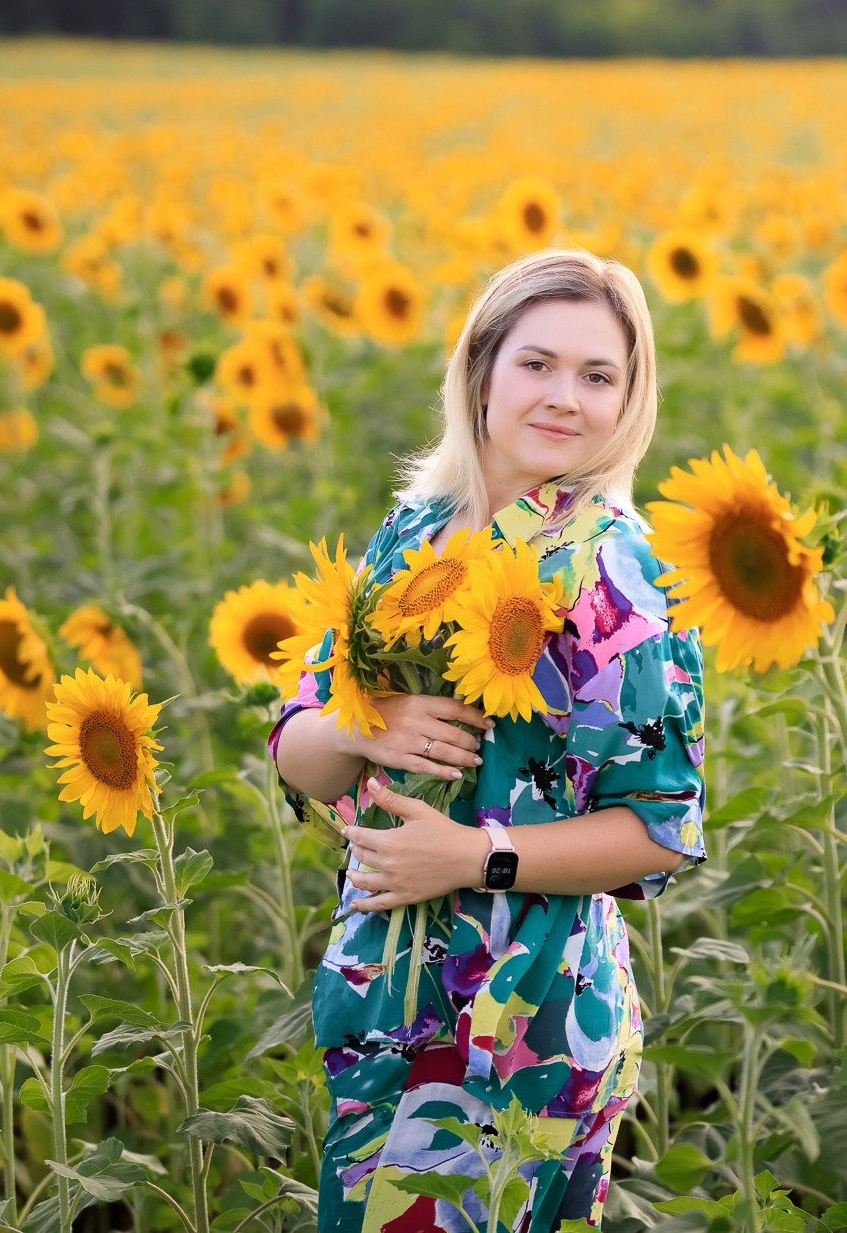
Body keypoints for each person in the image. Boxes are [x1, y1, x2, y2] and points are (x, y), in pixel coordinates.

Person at [267, 247, 707, 1231]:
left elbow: (663, 826)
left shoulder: (622, 583)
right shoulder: (412, 537)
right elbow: (296, 751)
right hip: (381, 1003)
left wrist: (476, 854)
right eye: (537, 364)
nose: (564, 398)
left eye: (598, 376)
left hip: (522, 1030)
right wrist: (361, 722)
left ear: (628, 400)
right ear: (480, 372)